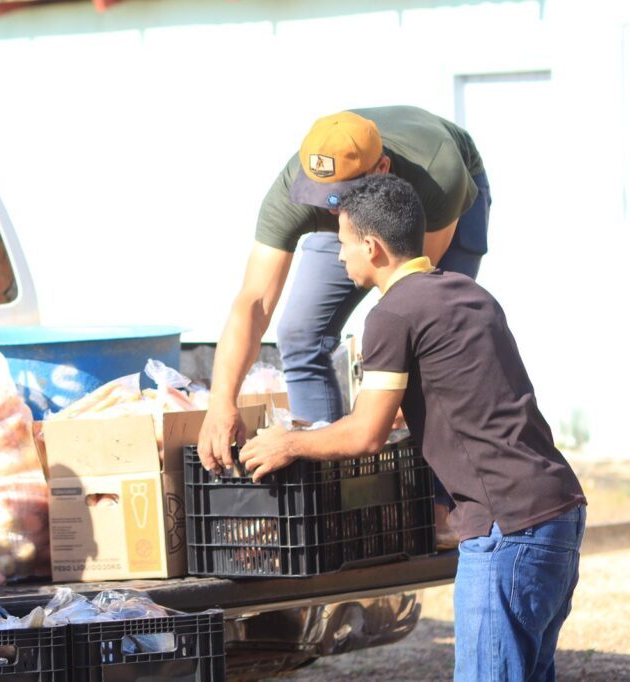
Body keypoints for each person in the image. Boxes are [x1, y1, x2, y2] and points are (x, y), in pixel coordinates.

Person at [235, 174, 586, 681]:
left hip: (506, 527)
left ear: (372, 247)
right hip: (558, 513)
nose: (340, 256)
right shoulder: (470, 294)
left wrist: (287, 443)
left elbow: (367, 435)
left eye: (343, 243)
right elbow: (458, 396)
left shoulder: (393, 313)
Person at [198, 105, 490, 466]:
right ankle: (326, 475)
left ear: (381, 169)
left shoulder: (437, 172)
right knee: (300, 334)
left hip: (437, 202)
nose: (330, 209)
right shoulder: (299, 186)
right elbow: (255, 300)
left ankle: (438, 485)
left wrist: (384, 393)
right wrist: (221, 401)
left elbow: (413, 296)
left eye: (338, 198)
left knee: (436, 345)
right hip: (361, 212)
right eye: (320, 196)